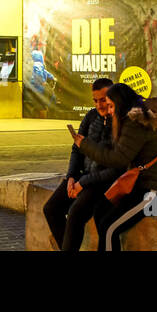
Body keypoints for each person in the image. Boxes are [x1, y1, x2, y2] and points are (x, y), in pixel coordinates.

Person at [72, 84, 157, 251]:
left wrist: (84, 144)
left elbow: (118, 159)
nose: (108, 111)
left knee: (110, 227)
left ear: (120, 104)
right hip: (141, 189)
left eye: (110, 106)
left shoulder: (136, 125)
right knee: (101, 211)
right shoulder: (131, 122)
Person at [42, 78, 116, 251]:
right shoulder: (90, 116)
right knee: (51, 208)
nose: (99, 105)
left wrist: (82, 183)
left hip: (102, 182)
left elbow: (115, 166)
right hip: (83, 176)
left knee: (76, 213)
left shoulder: (119, 122)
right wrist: (71, 177)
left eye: (103, 100)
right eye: (95, 101)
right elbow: (76, 149)